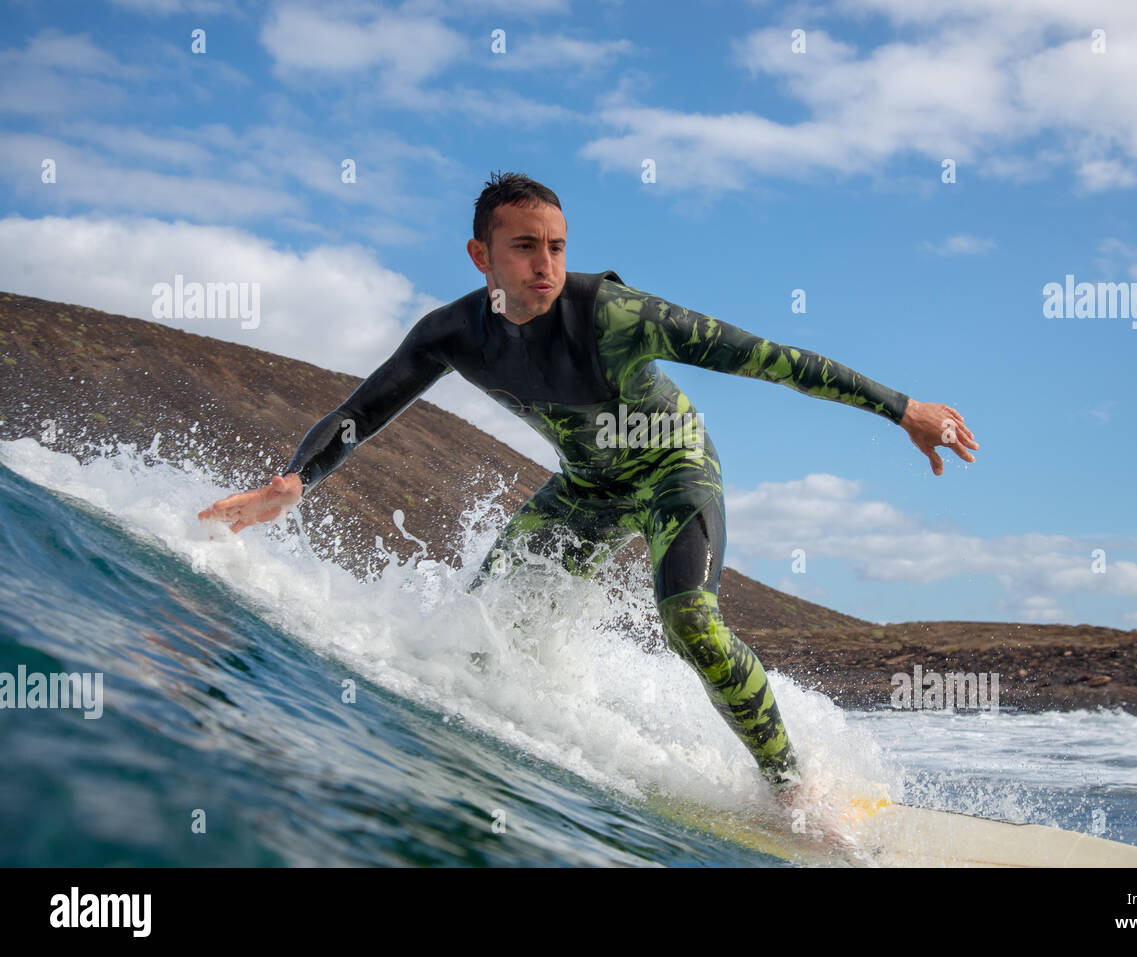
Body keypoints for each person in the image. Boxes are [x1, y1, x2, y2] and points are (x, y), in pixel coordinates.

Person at [198, 171, 979, 820]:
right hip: (587, 489)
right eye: (525, 246)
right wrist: (296, 480)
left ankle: (794, 790)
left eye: (557, 246)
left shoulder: (611, 316)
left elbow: (767, 358)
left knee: (688, 622)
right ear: (482, 255)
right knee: (478, 631)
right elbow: (364, 409)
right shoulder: (451, 334)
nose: (545, 263)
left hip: (675, 473)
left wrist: (903, 407)